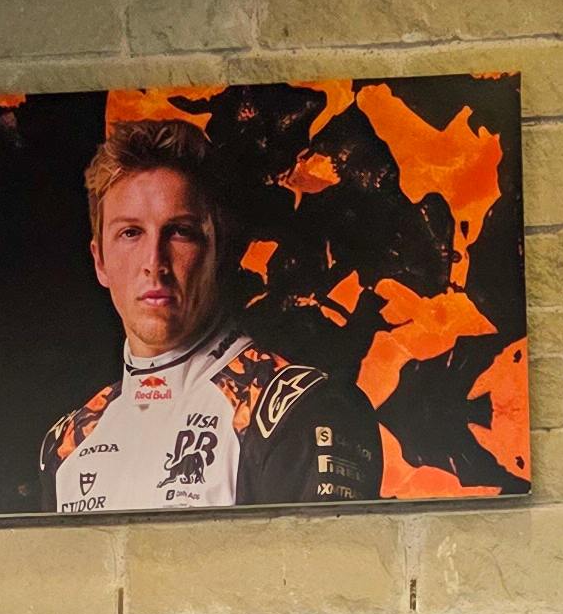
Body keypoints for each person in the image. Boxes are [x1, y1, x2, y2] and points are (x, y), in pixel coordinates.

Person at [42, 117, 381, 514]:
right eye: (131, 233)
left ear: (219, 250)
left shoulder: (299, 410)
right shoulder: (68, 445)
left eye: (180, 232)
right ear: (100, 261)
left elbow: (328, 575)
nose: (154, 263)